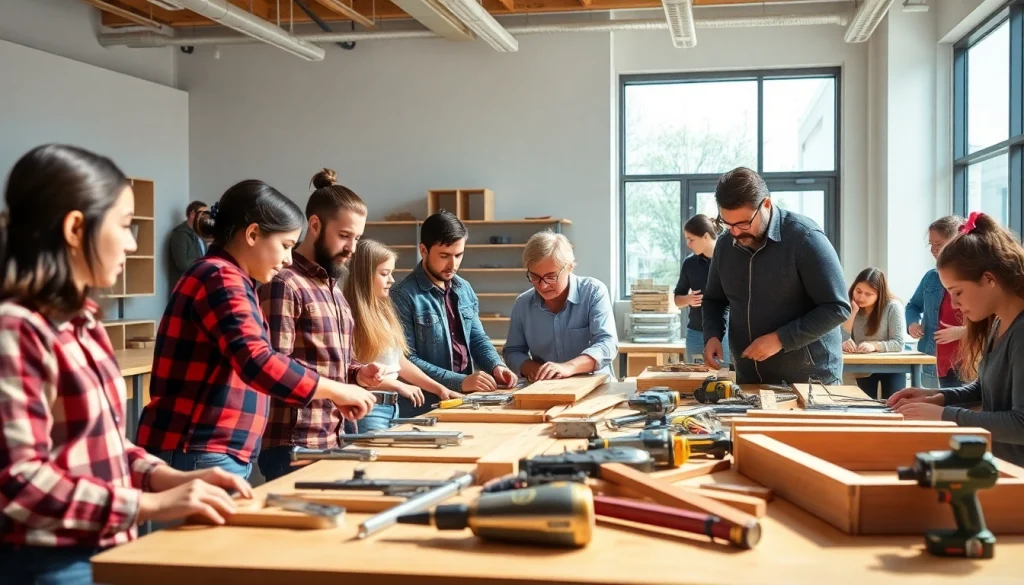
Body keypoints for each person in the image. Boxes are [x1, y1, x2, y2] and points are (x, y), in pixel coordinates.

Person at [0, 145, 249, 585]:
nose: (134, 243)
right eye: (125, 225)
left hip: (102, 549)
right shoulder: (15, 330)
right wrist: (148, 507)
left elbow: (102, 447)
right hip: (48, 563)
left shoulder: (84, 323)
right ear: (77, 228)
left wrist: (168, 477)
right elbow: (18, 483)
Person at [136, 179, 377, 480]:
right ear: (252, 234)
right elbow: (257, 359)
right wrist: (335, 389)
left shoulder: (231, 278)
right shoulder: (220, 277)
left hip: (213, 448)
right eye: (286, 246)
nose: (288, 258)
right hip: (198, 446)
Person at [255, 169, 382, 481]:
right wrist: (337, 390)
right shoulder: (284, 282)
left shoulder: (334, 289)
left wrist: (358, 373)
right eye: (344, 236)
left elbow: (335, 362)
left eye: (357, 238)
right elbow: (275, 368)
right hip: (293, 443)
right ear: (314, 225)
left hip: (331, 438)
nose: (352, 247)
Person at [889, 212, 1024, 466]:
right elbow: (984, 390)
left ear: (989, 279)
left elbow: (1020, 423)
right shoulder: (997, 323)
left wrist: (944, 414)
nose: (954, 304)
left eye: (957, 292)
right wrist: (936, 396)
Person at [701, 167, 851, 384]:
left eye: (743, 223)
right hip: (750, 378)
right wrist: (712, 334)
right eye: (727, 223)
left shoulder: (805, 238)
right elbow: (714, 300)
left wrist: (781, 339)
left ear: (767, 204)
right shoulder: (725, 245)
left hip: (810, 380)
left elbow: (837, 307)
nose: (735, 232)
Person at [391, 210, 518, 417]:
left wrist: (496, 366)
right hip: (423, 408)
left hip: (465, 400)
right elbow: (406, 359)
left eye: (458, 255)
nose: (453, 265)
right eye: (444, 256)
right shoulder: (402, 296)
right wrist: (460, 381)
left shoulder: (464, 288)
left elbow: (477, 338)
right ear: (423, 250)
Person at [345, 239, 462, 431]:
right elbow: (353, 373)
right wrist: (399, 386)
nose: (391, 280)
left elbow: (398, 363)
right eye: (384, 274)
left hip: (391, 407)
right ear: (364, 276)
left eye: (391, 273)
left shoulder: (384, 312)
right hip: (368, 410)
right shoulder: (350, 316)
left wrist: (439, 388)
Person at [503, 231, 617, 381]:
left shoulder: (594, 292)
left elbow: (607, 344)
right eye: (535, 277)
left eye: (551, 277)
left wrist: (568, 367)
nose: (543, 286)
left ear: (569, 267)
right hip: (547, 388)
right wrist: (535, 370)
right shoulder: (523, 304)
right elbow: (513, 351)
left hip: (596, 387)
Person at [906, 215, 967, 388]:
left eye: (938, 244)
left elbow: (990, 323)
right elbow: (913, 306)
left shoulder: (974, 280)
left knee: (959, 412)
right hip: (930, 361)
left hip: (965, 364)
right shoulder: (931, 277)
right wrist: (912, 324)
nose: (933, 250)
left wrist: (961, 332)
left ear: (956, 243)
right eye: (931, 244)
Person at [841, 267, 907, 398]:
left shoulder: (892, 307)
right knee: (865, 408)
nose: (861, 297)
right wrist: (853, 312)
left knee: (893, 407)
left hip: (892, 368)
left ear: (879, 294)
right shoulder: (849, 304)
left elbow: (899, 343)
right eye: (858, 291)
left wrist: (874, 345)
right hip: (863, 368)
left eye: (868, 294)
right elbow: (840, 338)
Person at [674, 214, 730, 365]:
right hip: (695, 334)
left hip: (724, 334)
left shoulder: (730, 260)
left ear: (705, 237)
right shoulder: (689, 264)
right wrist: (688, 300)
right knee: (695, 382)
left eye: (691, 239)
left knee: (723, 379)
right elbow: (677, 300)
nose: (688, 244)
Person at [169, 200, 209, 281]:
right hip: (186, 284)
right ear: (192, 215)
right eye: (202, 214)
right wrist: (204, 262)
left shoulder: (201, 234)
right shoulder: (180, 234)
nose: (206, 218)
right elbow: (183, 264)